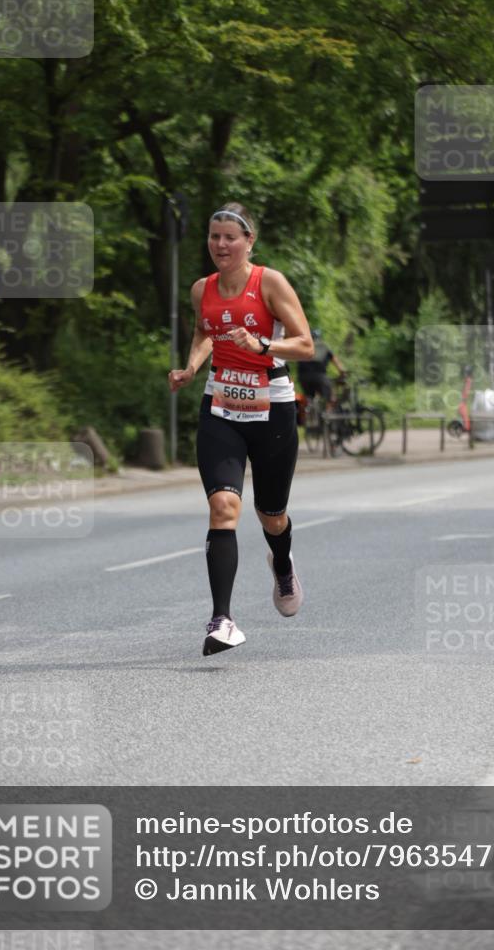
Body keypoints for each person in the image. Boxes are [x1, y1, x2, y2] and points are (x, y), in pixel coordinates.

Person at [168, 202, 314, 656]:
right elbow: (204, 331)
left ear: (249, 241)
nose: (221, 245)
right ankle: (222, 619)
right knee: (223, 508)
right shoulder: (201, 289)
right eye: (214, 237)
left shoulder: (268, 282)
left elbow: (305, 344)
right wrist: (192, 367)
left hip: (271, 407)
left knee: (271, 515)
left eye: (230, 237)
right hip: (221, 408)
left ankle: (283, 562)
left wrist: (263, 343)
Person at [297, 328, 346, 408]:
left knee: (309, 397)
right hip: (319, 376)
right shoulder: (323, 346)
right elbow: (335, 360)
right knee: (330, 397)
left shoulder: (304, 347)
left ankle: (308, 414)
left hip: (303, 377)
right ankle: (328, 416)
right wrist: (342, 372)